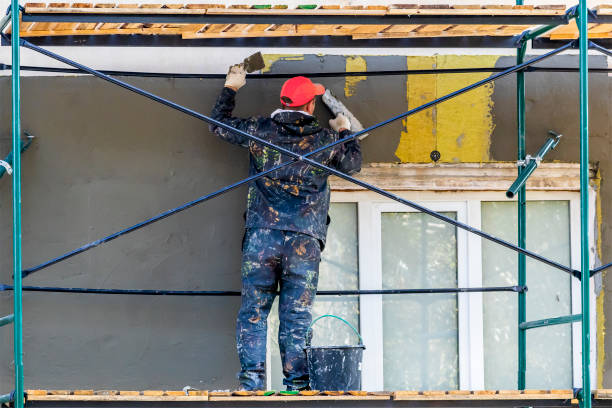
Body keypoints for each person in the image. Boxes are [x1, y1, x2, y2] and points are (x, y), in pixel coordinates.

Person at [210, 63, 362, 391]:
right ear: (310, 106)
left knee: (254, 311)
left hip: (262, 236)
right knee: (296, 317)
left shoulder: (261, 130)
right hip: (303, 242)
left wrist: (232, 87)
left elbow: (219, 125)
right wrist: (344, 128)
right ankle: (297, 386)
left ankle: (251, 384)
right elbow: (353, 164)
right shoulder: (324, 139)